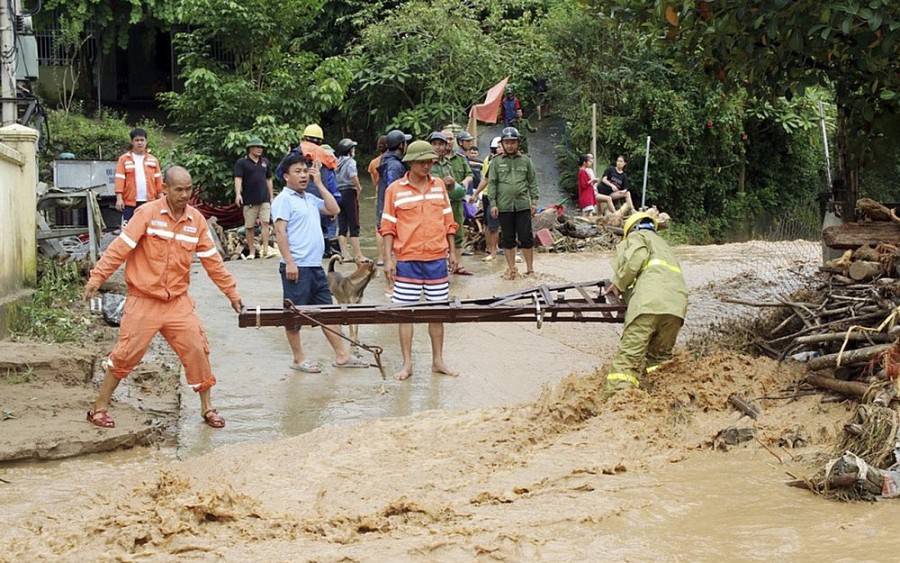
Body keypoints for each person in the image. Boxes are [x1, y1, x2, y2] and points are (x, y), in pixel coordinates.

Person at [83, 166, 243, 429]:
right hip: (143, 300)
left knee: (197, 350)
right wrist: (97, 277)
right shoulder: (146, 214)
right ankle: (99, 408)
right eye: (178, 189)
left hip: (177, 302)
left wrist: (232, 294)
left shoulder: (197, 222)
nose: (184, 195)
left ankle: (208, 409)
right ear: (164, 189)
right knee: (125, 355)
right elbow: (119, 249)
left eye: (188, 189)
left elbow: (213, 262)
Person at [272, 152, 370, 373]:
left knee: (328, 311)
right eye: (297, 171)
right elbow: (280, 232)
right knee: (294, 315)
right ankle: (298, 359)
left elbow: (334, 209)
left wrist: (319, 183)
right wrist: (289, 262)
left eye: (305, 171)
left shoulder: (310, 198)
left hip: (315, 267)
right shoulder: (283, 200)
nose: (303, 175)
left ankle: (342, 355)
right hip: (296, 267)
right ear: (286, 176)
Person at [379, 140, 459, 381]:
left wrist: (453, 252)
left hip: (436, 258)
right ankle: (407, 364)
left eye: (430, 162)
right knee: (406, 313)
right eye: (422, 162)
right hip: (407, 259)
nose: (427, 166)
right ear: (410, 163)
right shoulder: (394, 189)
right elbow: (387, 227)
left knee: (437, 313)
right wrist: (388, 260)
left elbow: (449, 221)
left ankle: (438, 361)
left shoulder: (439, 187)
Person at [602, 212, 688, 393]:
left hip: (648, 304)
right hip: (676, 309)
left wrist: (618, 282)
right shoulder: (664, 246)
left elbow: (635, 260)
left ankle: (617, 407)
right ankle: (662, 400)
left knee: (627, 361)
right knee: (660, 361)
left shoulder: (637, 236)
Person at [488, 126, 539, 279]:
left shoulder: (526, 160)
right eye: (507, 142)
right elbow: (492, 184)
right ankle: (512, 269)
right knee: (508, 239)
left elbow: (532, 182)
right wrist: (493, 203)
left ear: (518, 143)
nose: (510, 145)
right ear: (502, 144)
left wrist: (534, 201)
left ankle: (530, 270)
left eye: (513, 142)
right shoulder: (496, 162)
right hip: (504, 207)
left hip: (523, 205)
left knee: (526, 237)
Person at [431, 130, 473, 265]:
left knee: (457, 233)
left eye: (441, 144)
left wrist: (462, 184)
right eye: (435, 144)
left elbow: (467, 176)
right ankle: (440, 265)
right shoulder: (427, 164)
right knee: (437, 235)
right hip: (435, 205)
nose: (438, 147)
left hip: (454, 203)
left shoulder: (450, 163)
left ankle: (456, 264)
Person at [375, 129, 412, 270]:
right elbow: (395, 190)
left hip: (383, 206)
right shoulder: (395, 165)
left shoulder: (386, 160)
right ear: (401, 145)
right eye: (405, 142)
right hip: (393, 209)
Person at [234, 136, 274, 259]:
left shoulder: (265, 162)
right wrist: (238, 194)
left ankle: (265, 249)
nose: (259, 149)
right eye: (257, 147)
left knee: (265, 223)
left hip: (264, 198)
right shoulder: (242, 162)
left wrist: (271, 196)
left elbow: (269, 179)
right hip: (250, 199)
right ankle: (252, 251)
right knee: (249, 226)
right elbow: (238, 178)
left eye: (261, 147)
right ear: (250, 148)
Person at [114, 127, 163, 227]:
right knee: (128, 230)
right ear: (132, 142)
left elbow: (159, 182)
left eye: (142, 140)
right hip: (129, 203)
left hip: (149, 202)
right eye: (137, 140)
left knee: (149, 231)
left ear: (146, 141)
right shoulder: (124, 159)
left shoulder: (153, 160)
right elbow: (119, 180)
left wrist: (161, 200)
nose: (139, 143)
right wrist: (119, 199)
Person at [469, 136, 502, 261]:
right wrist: (476, 193)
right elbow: (486, 179)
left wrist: (477, 193)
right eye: (498, 147)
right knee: (493, 225)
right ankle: (494, 249)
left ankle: (490, 248)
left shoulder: (488, 159)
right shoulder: (494, 161)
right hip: (493, 195)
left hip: (487, 194)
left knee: (489, 224)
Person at [335, 138, 368, 263]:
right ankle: (359, 255)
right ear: (349, 150)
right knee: (354, 224)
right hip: (350, 192)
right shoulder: (351, 162)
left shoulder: (337, 162)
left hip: (339, 193)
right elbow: (353, 175)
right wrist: (358, 188)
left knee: (342, 225)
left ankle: (345, 254)